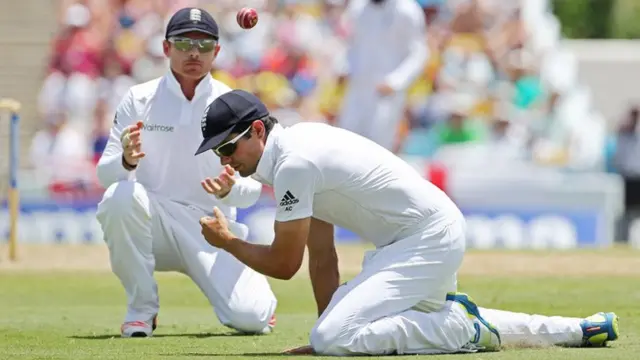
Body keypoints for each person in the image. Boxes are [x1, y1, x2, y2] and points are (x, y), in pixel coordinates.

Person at [194, 89, 619, 356]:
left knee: (404, 330)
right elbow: (321, 256)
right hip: (413, 241)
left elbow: (286, 265)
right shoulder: (296, 149)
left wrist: (228, 241)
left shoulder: (294, 164)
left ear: (256, 131)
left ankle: (461, 328)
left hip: (426, 238)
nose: (226, 160)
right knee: (334, 337)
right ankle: (581, 330)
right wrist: (330, 332)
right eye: (218, 154)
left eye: (229, 147)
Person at [95, 8, 277, 338]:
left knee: (252, 319)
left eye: (204, 45)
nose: (194, 53)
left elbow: (253, 188)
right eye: (183, 43)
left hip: (211, 229)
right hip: (155, 222)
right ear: (166, 48)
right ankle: (141, 310)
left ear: (217, 52)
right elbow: (105, 177)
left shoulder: (231, 102)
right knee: (119, 197)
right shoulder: (139, 98)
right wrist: (125, 160)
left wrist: (229, 190)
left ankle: (257, 298)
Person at [336, 0, 428, 152]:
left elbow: (418, 53)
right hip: (357, 88)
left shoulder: (407, 10)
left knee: (378, 149)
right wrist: (344, 67)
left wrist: (395, 81)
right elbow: (352, 45)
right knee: (347, 143)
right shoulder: (358, 7)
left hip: (386, 93)